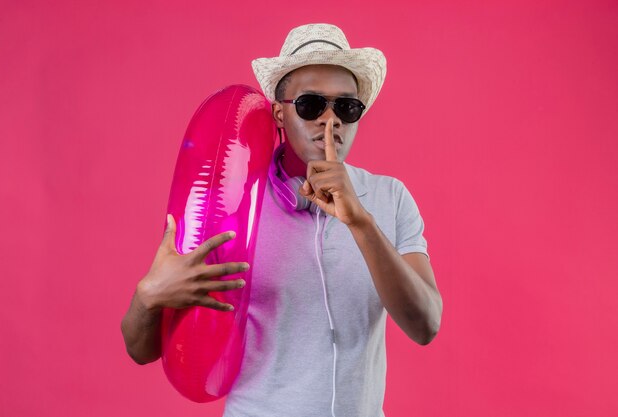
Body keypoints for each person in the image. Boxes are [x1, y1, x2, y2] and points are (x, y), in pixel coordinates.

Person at [121, 23, 442, 417]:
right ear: (279, 113)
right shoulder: (233, 204)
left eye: (346, 107)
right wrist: (148, 298)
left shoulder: (390, 199)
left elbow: (425, 324)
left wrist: (360, 222)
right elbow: (140, 350)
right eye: (310, 105)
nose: (331, 120)